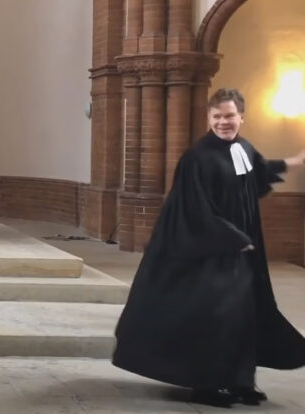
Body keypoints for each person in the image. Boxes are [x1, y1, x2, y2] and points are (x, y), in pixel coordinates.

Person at [113, 88, 305, 407]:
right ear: (209, 118)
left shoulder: (243, 147)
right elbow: (193, 208)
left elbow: (256, 174)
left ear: (241, 117)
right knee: (216, 317)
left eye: (229, 116)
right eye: (217, 116)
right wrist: (233, 237)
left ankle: (241, 382)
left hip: (242, 253)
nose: (223, 122)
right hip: (210, 255)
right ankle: (207, 384)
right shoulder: (197, 157)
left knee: (245, 315)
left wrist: (292, 162)